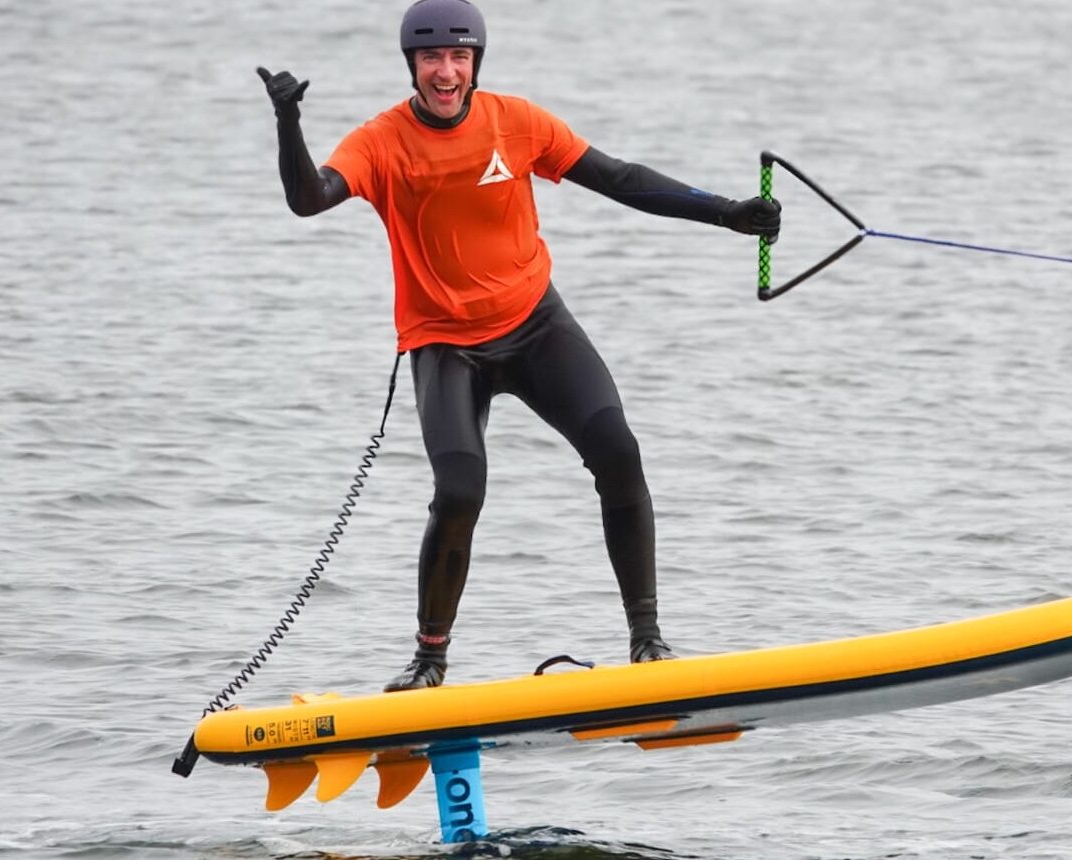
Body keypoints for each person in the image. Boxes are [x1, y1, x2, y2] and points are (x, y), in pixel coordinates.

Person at [255, 0, 781, 692]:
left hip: (535, 324)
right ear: (412, 65)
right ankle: (429, 661)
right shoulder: (381, 142)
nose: (446, 72)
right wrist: (289, 123)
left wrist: (725, 212)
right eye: (431, 58)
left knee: (618, 452)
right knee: (459, 491)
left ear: (476, 62)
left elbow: (619, 178)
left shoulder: (517, 122)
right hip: (446, 344)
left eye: (459, 57)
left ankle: (648, 642)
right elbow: (310, 198)